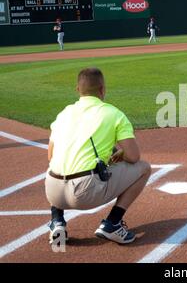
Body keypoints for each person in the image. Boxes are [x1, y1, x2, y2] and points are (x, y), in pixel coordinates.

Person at [45, 67, 152, 244]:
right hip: (85, 193)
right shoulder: (113, 113)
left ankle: (57, 221)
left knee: (59, 161)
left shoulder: (64, 113)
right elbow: (134, 156)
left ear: (77, 90)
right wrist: (121, 154)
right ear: (102, 89)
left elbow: (50, 155)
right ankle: (112, 224)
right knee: (144, 168)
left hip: (53, 192)